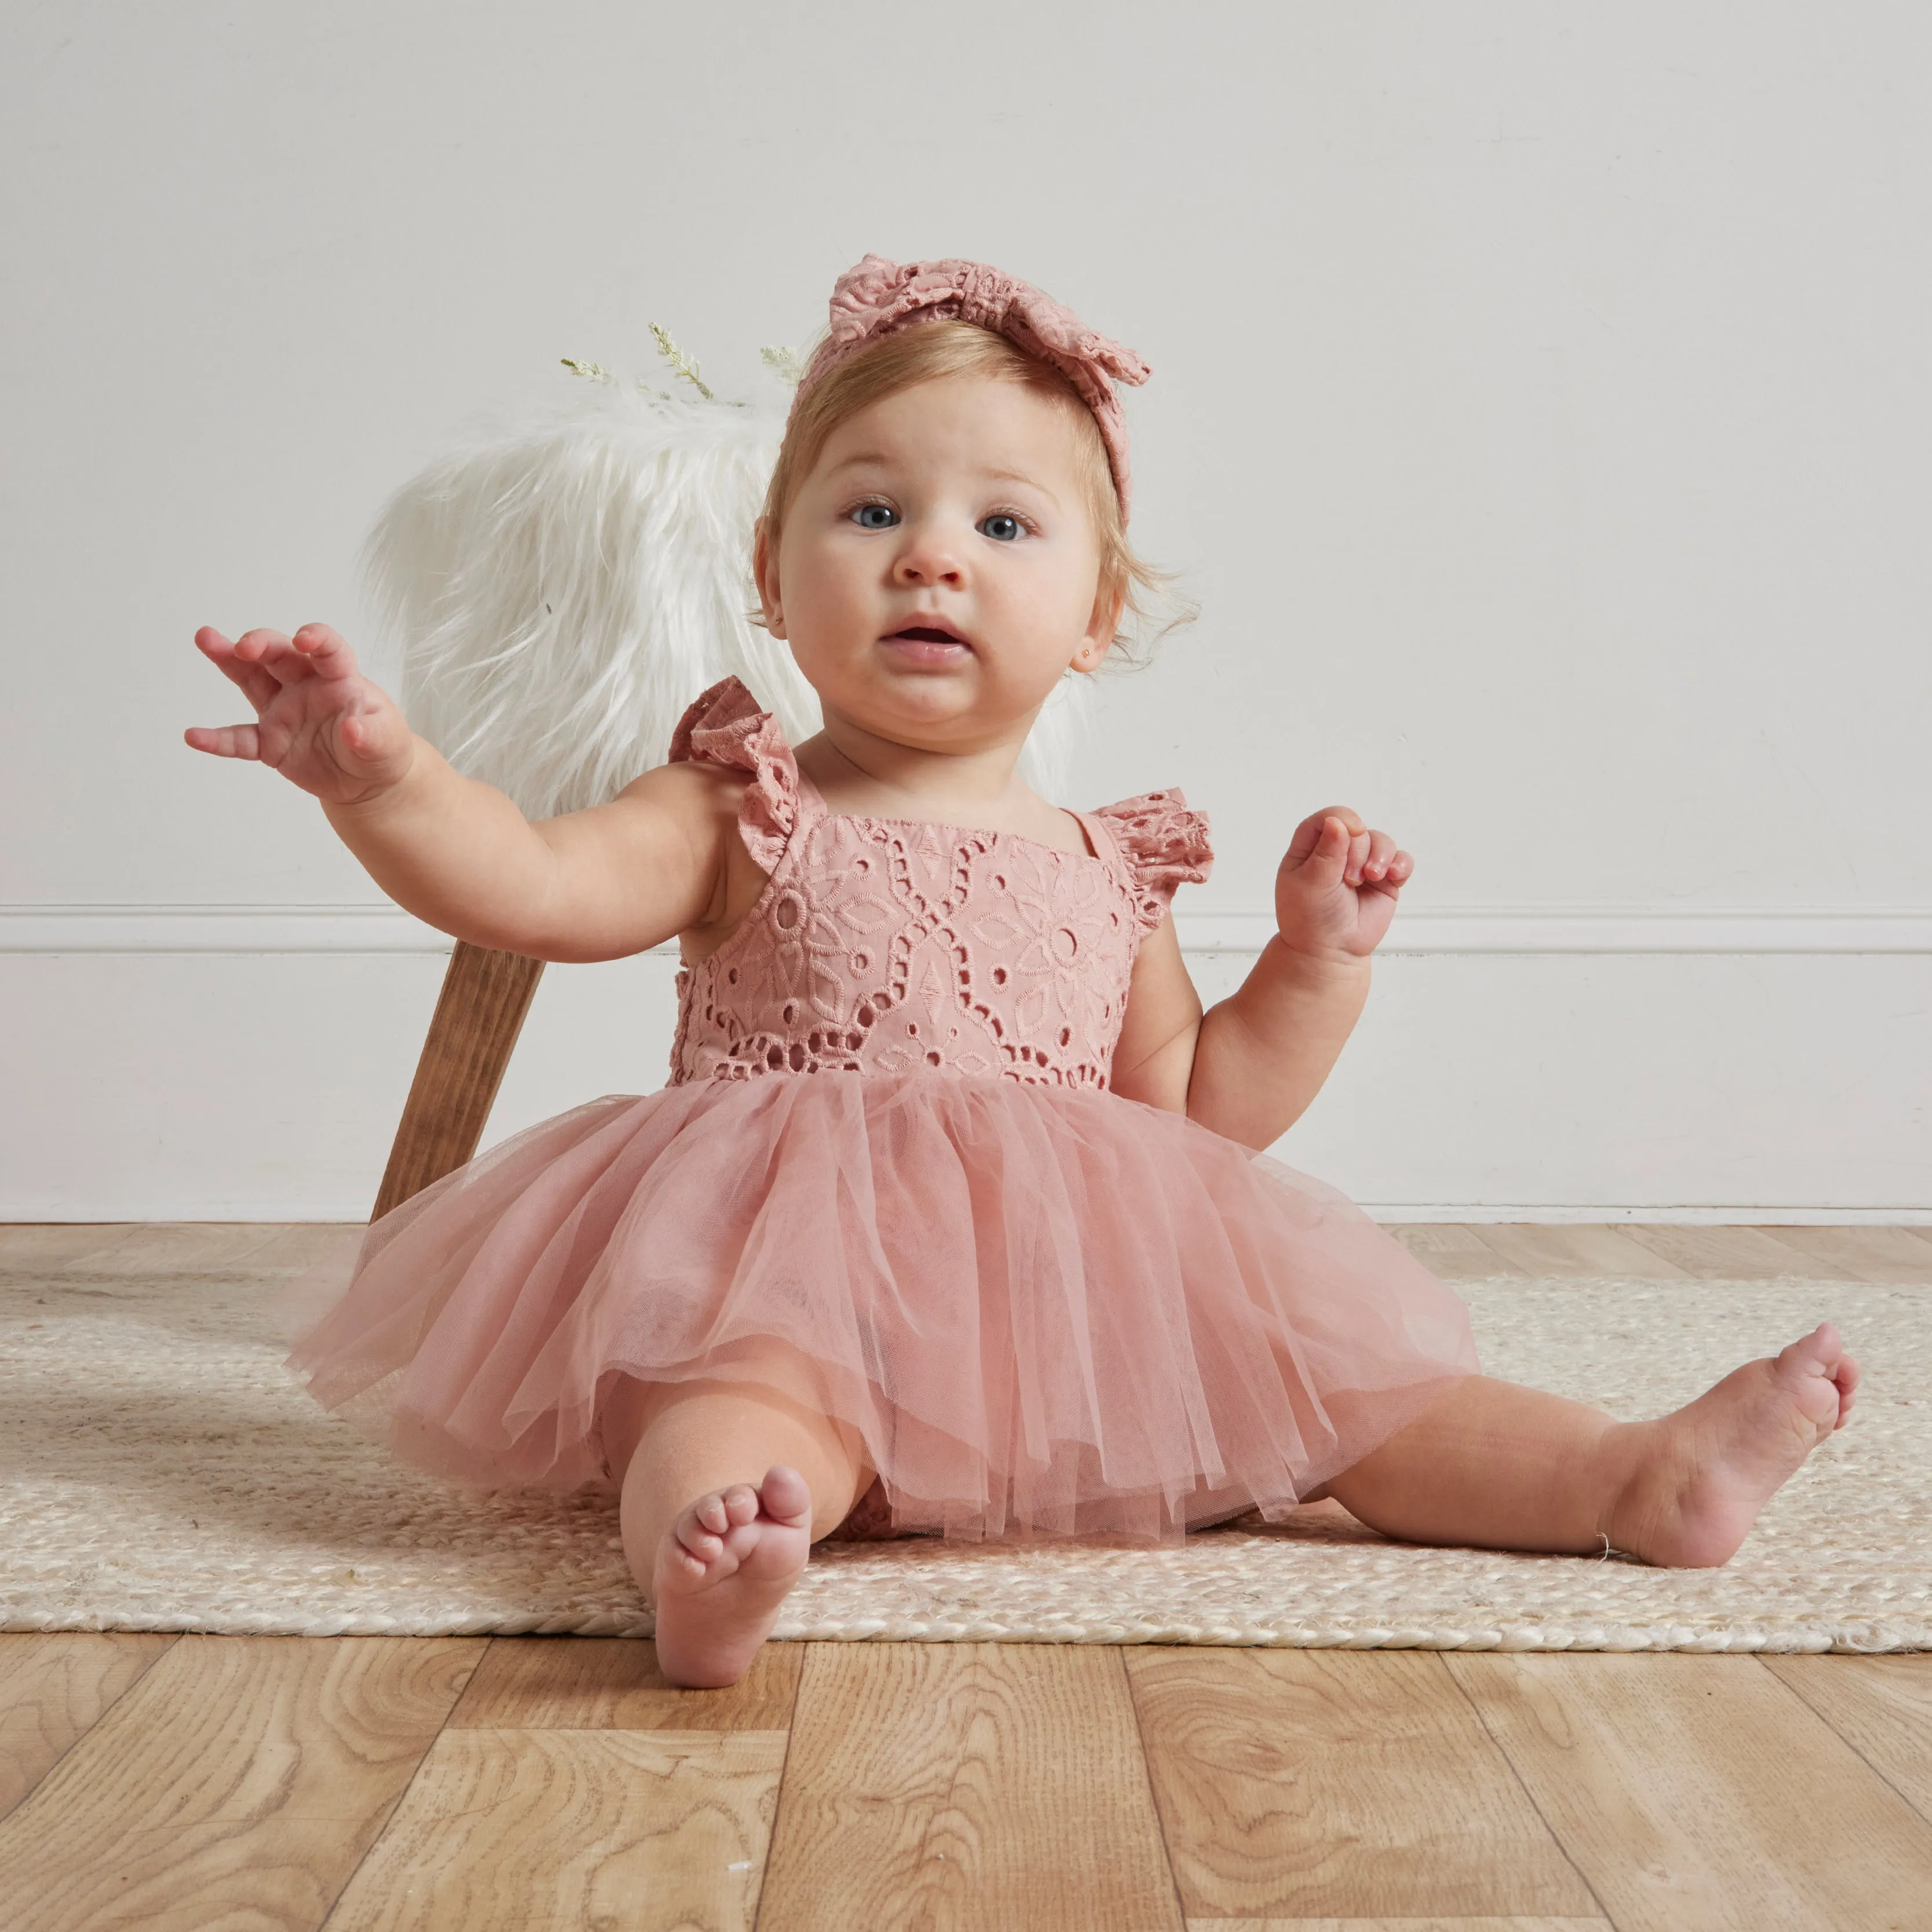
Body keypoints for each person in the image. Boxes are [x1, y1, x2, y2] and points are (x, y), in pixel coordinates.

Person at [185, 254, 1860, 1688]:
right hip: (781, 1271)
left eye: (1001, 521)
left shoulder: (1103, 861)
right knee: (731, 1402)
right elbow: (535, 885)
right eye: (870, 509)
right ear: (773, 578)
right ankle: (713, 1563)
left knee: (1349, 1395)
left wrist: (1312, 963)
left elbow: (1195, 1107)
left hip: (1075, 1319)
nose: (932, 555)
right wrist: (384, 779)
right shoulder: (737, 797)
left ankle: (1628, 1474)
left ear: (1093, 615)